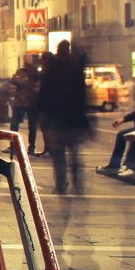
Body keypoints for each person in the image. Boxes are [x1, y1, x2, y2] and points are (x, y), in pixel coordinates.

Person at [36, 41, 91, 193]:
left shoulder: (52, 70)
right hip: (74, 119)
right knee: (74, 154)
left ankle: (61, 184)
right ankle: (77, 183)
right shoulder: (76, 70)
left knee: (59, 154)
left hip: (56, 119)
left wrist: (42, 114)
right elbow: (82, 97)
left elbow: (44, 94)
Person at [9, 60, 43, 155]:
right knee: (15, 125)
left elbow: (16, 80)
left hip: (29, 102)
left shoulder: (34, 73)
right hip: (22, 102)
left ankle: (28, 147)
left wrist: (22, 80)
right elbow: (14, 80)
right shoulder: (26, 72)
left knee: (30, 126)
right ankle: (15, 146)